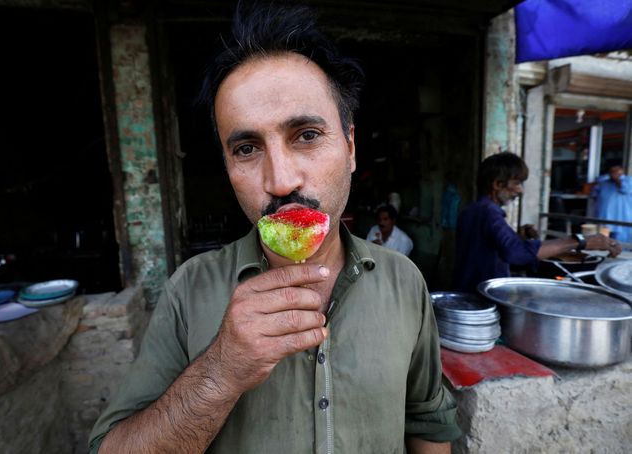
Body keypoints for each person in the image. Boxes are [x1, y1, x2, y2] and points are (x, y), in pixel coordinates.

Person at [89, 3, 460, 453]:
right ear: (228, 167)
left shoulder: (405, 281)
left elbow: (428, 425)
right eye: (247, 148)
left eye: (306, 135)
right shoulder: (188, 291)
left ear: (350, 146)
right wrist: (221, 370)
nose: (281, 180)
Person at [454, 152, 622, 293]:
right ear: (498, 184)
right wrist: (579, 241)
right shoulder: (488, 212)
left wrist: (519, 239)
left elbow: (491, 249)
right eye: (517, 183)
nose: (520, 190)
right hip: (479, 296)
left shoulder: (473, 210)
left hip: (469, 289)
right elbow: (515, 253)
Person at [591, 165, 632, 246]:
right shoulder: (603, 182)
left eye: (617, 173)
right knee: (601, 241)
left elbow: (625, 189)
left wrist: (618, 179)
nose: (614, 175)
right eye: (612, 173)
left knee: (620, 244)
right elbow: (594, 195)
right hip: (603, 218)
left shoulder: (628, 181)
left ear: (621, 173)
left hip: (621, 219)